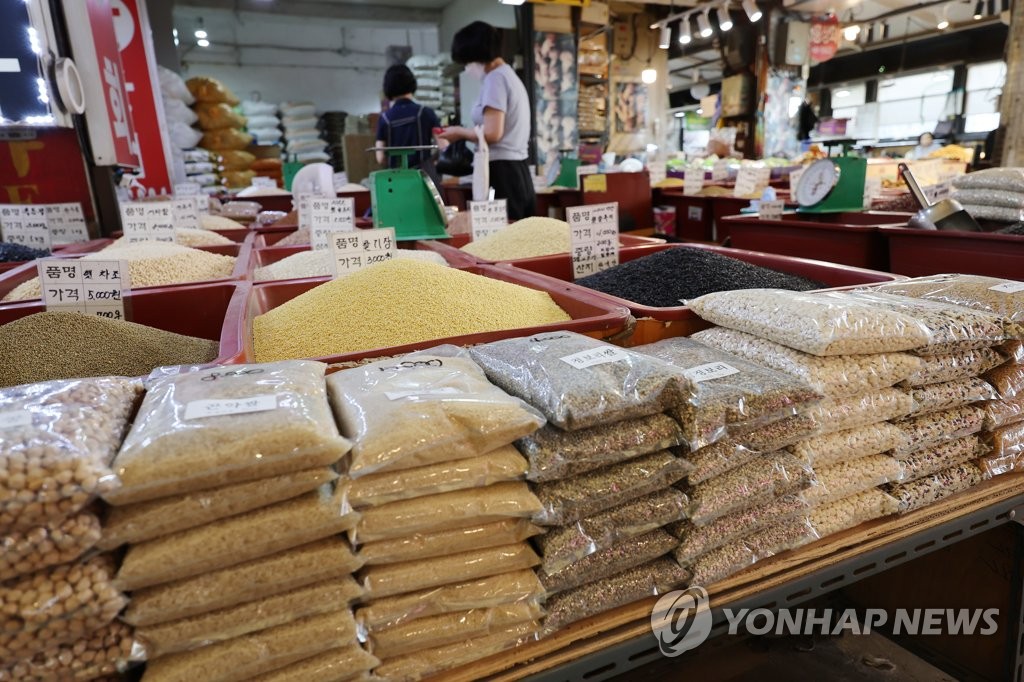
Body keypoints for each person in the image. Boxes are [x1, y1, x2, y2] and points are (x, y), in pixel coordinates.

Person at [437, 21, 536, 220]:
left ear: (476, 55)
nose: (467, 68)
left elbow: (493, 133)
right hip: (518, 170)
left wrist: (459, 133)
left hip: (503, 172)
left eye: (466, 62)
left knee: (504, 241)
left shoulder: (495, 79)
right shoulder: (508, 75)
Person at [375, 64, 441, 180]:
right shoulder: (426, 113)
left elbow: (380, 158)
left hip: (396, 180)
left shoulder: (384, 118)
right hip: (425, 178)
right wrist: (431, 160)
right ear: (412, 83)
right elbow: (443, 145)